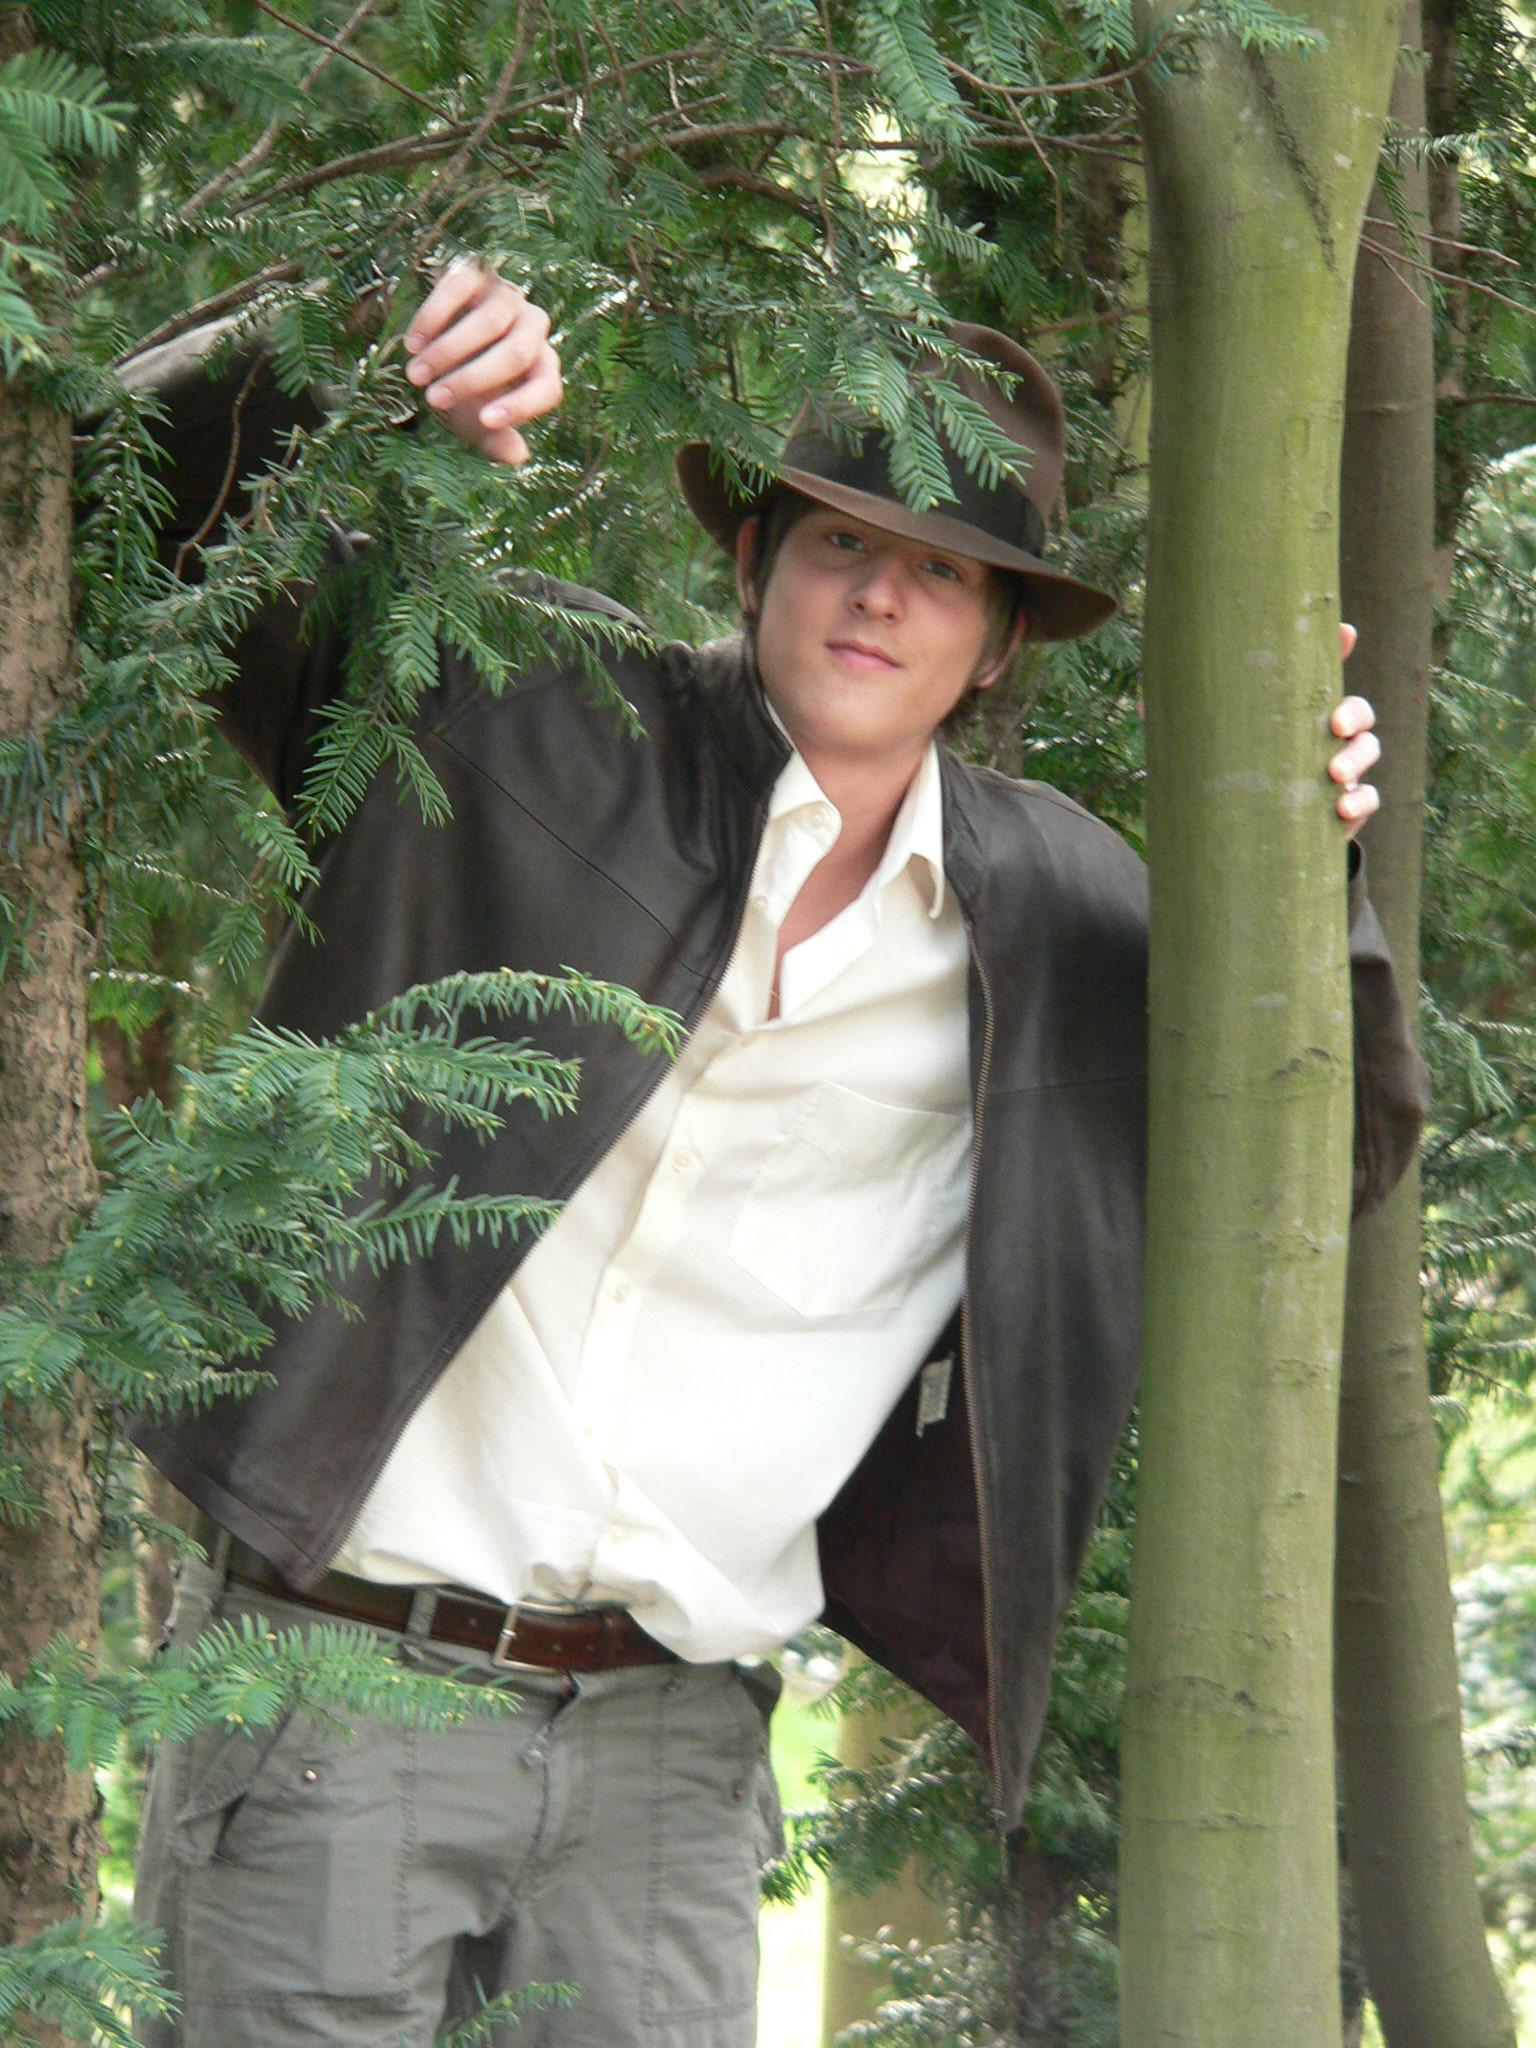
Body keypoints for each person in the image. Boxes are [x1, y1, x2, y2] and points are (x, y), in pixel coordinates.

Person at [126, 262, 1423, 2048]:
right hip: (332, 1685)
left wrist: (1310, 874)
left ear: (1000, 641)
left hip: (670, 1755)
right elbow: (151, 500)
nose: (882, 593)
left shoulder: (1065, 923)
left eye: (943, 570)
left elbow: (1314, 1160)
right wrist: (368, 345)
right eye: (840, 543)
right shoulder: (524, 714)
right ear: (753, 563)